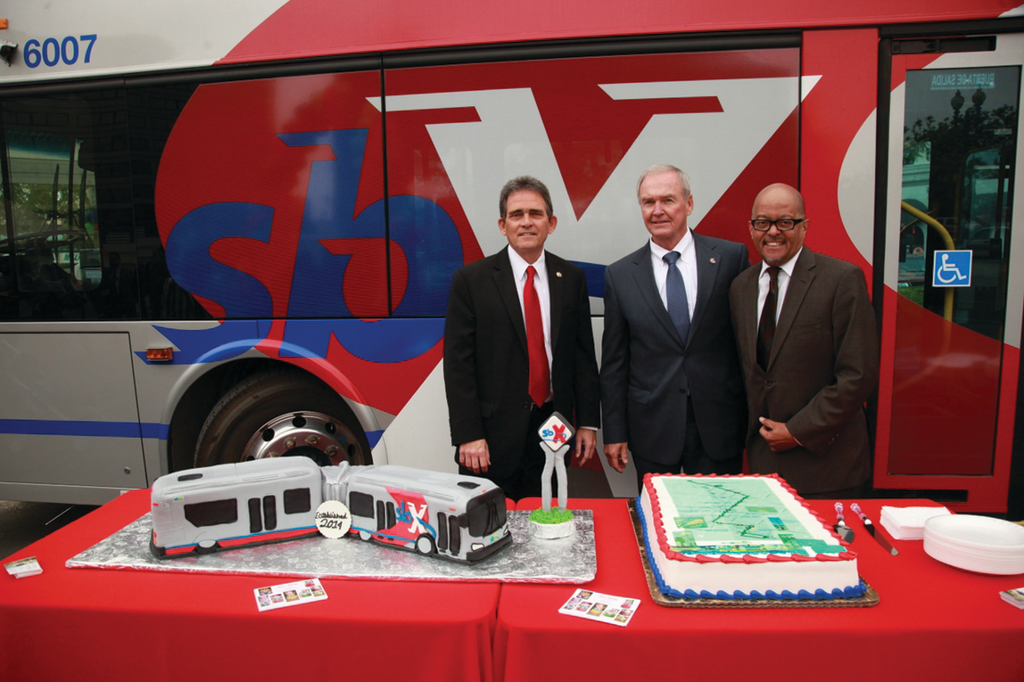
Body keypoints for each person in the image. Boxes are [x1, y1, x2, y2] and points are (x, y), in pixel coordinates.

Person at [444, 176, 600, 501]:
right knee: (488, 530)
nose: (526, 222)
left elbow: (583, 356)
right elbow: (458, 367)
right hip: (489, 440)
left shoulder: (571, 279)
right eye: (517, 215)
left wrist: (587, 422)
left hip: (553, 430)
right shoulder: (471, 281)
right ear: (502, 225)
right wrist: (468, 435)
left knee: (547, 521)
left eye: (535, 213)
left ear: (551, 223)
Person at [600, 164, 749, 490]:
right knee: (659, 520)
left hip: (718, 423)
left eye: (667, 200)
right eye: (648, 202)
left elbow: (746, 345)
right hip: (653, 427)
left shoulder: (730, 259)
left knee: (722, 520)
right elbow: (614, 363)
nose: (657, 211)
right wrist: (614, 432)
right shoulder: (621, 275)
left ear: (689, 204)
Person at [729, 183, 879, 498]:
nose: (772, 232)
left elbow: (858, 374)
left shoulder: (841, 280)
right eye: (762, 222)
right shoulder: (740, 287)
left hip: (828, 468)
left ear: (804, 226)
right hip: (764, 468)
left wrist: (797, 432)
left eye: (785, 222)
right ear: (751, 228)